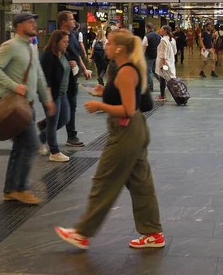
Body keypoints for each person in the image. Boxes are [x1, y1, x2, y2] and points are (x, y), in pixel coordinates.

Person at [55, 28, 164, 251]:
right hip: (134, 131)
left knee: (104, 181)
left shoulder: (126, 71)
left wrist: (99, 106)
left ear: (120, 48)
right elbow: (126, 98)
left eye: (109, 43)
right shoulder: (126, 69)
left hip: (126, 133)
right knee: (140, 183)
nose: (105, 46)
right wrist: (103, 92)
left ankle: (83, 233)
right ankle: (153, 233)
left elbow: (127, 109)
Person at [0, 12, 55, 204]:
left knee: (20, 147)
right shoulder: (9, 46)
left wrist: (46, 99)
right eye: (30, 22)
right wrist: (13, 85)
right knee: (32, 145)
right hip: (15, 107)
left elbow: (40, 76)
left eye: (34, 21)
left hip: (28, 107)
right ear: (19, 26)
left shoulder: (32, 47)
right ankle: (20, 188)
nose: (34, 24)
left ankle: (10, 189)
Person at [58, 11, 92, 148]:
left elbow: (76, 55)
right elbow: (55, 55)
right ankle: (70, 135)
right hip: (63, 78)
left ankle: (71, 135)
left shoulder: (72, 36)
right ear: (63, 22)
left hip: (73, 77)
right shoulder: (59, 37)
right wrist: (66, 62)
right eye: (71, 19)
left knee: (70, 107)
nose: (74, 21)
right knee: (64, 109)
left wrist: (83, 69)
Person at [38, 30, 72, 162]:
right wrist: (49, 99)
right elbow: (46, 80)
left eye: (67, 42)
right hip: (52, 94)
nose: (66, 44)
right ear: (56, 42)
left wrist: (73, 67)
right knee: (53, 122)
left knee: (64, 118)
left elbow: (66, 70)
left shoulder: (63, 54)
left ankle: (41, 136)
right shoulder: (48, 56)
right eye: (64, 42)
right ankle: (54, 151)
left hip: (62, 92)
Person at [156, 25, 177, 100]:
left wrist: (164, 65)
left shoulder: (163, 40)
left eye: (161, 29)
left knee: (164, 79)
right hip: (171, 62)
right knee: (169, 78)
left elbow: (163, 54)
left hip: (165, 62)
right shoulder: (173, 40)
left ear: (165, 31)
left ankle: (163, 95)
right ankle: (176, 92)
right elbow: (175, 51)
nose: (160, 30)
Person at [142, 23, 161, 92]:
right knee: (156, 71)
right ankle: (163, 83)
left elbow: (143, 47)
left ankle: (150, 86)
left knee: (148, 71)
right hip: (157, 55)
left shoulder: (147, 36)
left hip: (149, 56)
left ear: (147, 28)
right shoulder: (159, 36)